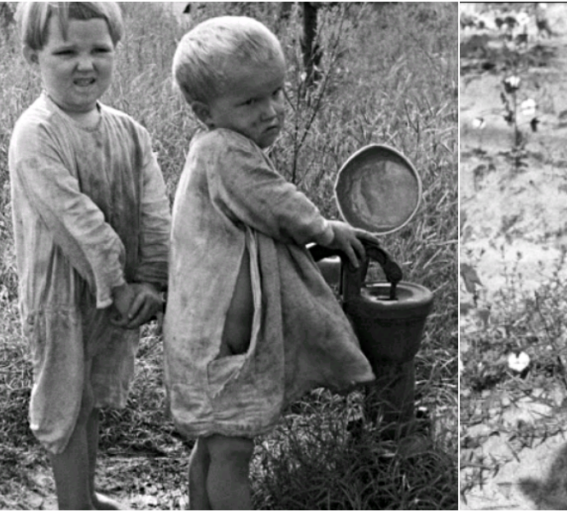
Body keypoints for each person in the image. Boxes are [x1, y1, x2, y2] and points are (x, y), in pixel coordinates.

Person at [166, 16, 377, 509]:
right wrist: (327, 230)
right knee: (232, 448)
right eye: (249, 102)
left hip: (209, 338)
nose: (271, 112)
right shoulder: (224, 151)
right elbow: (277, 203)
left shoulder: (221, 147)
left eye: (276, 93)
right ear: (204, 111)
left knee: (215, 443)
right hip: (221, 347)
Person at [8, 2, 171, 509]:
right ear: (34, 54)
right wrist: (118, 284)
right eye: (66, 51)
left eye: (99, 49)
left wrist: (150, 280)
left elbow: (153, 211)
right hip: (60, 295)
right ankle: (72, 504)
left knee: (94, 398)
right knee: (67, 403)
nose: (86, 64)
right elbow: (76, 221)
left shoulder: (130, 132)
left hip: (115, 293)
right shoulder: (37, 133)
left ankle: (86, 492)